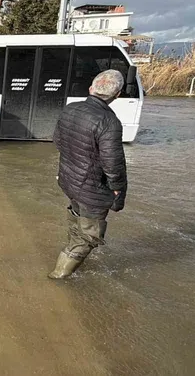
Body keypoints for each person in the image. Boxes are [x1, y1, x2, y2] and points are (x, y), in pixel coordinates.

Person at [49, 69, 128, 279]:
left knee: (77, 219)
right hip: (92, 189)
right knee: (88, 237)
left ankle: (71, 249)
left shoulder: (70, 109)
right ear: (117, 95)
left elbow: (57, 141)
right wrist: (117, 191)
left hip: (69, 180)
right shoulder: (109, 121)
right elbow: (113, 164)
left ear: (91, 88)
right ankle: (59, 276)